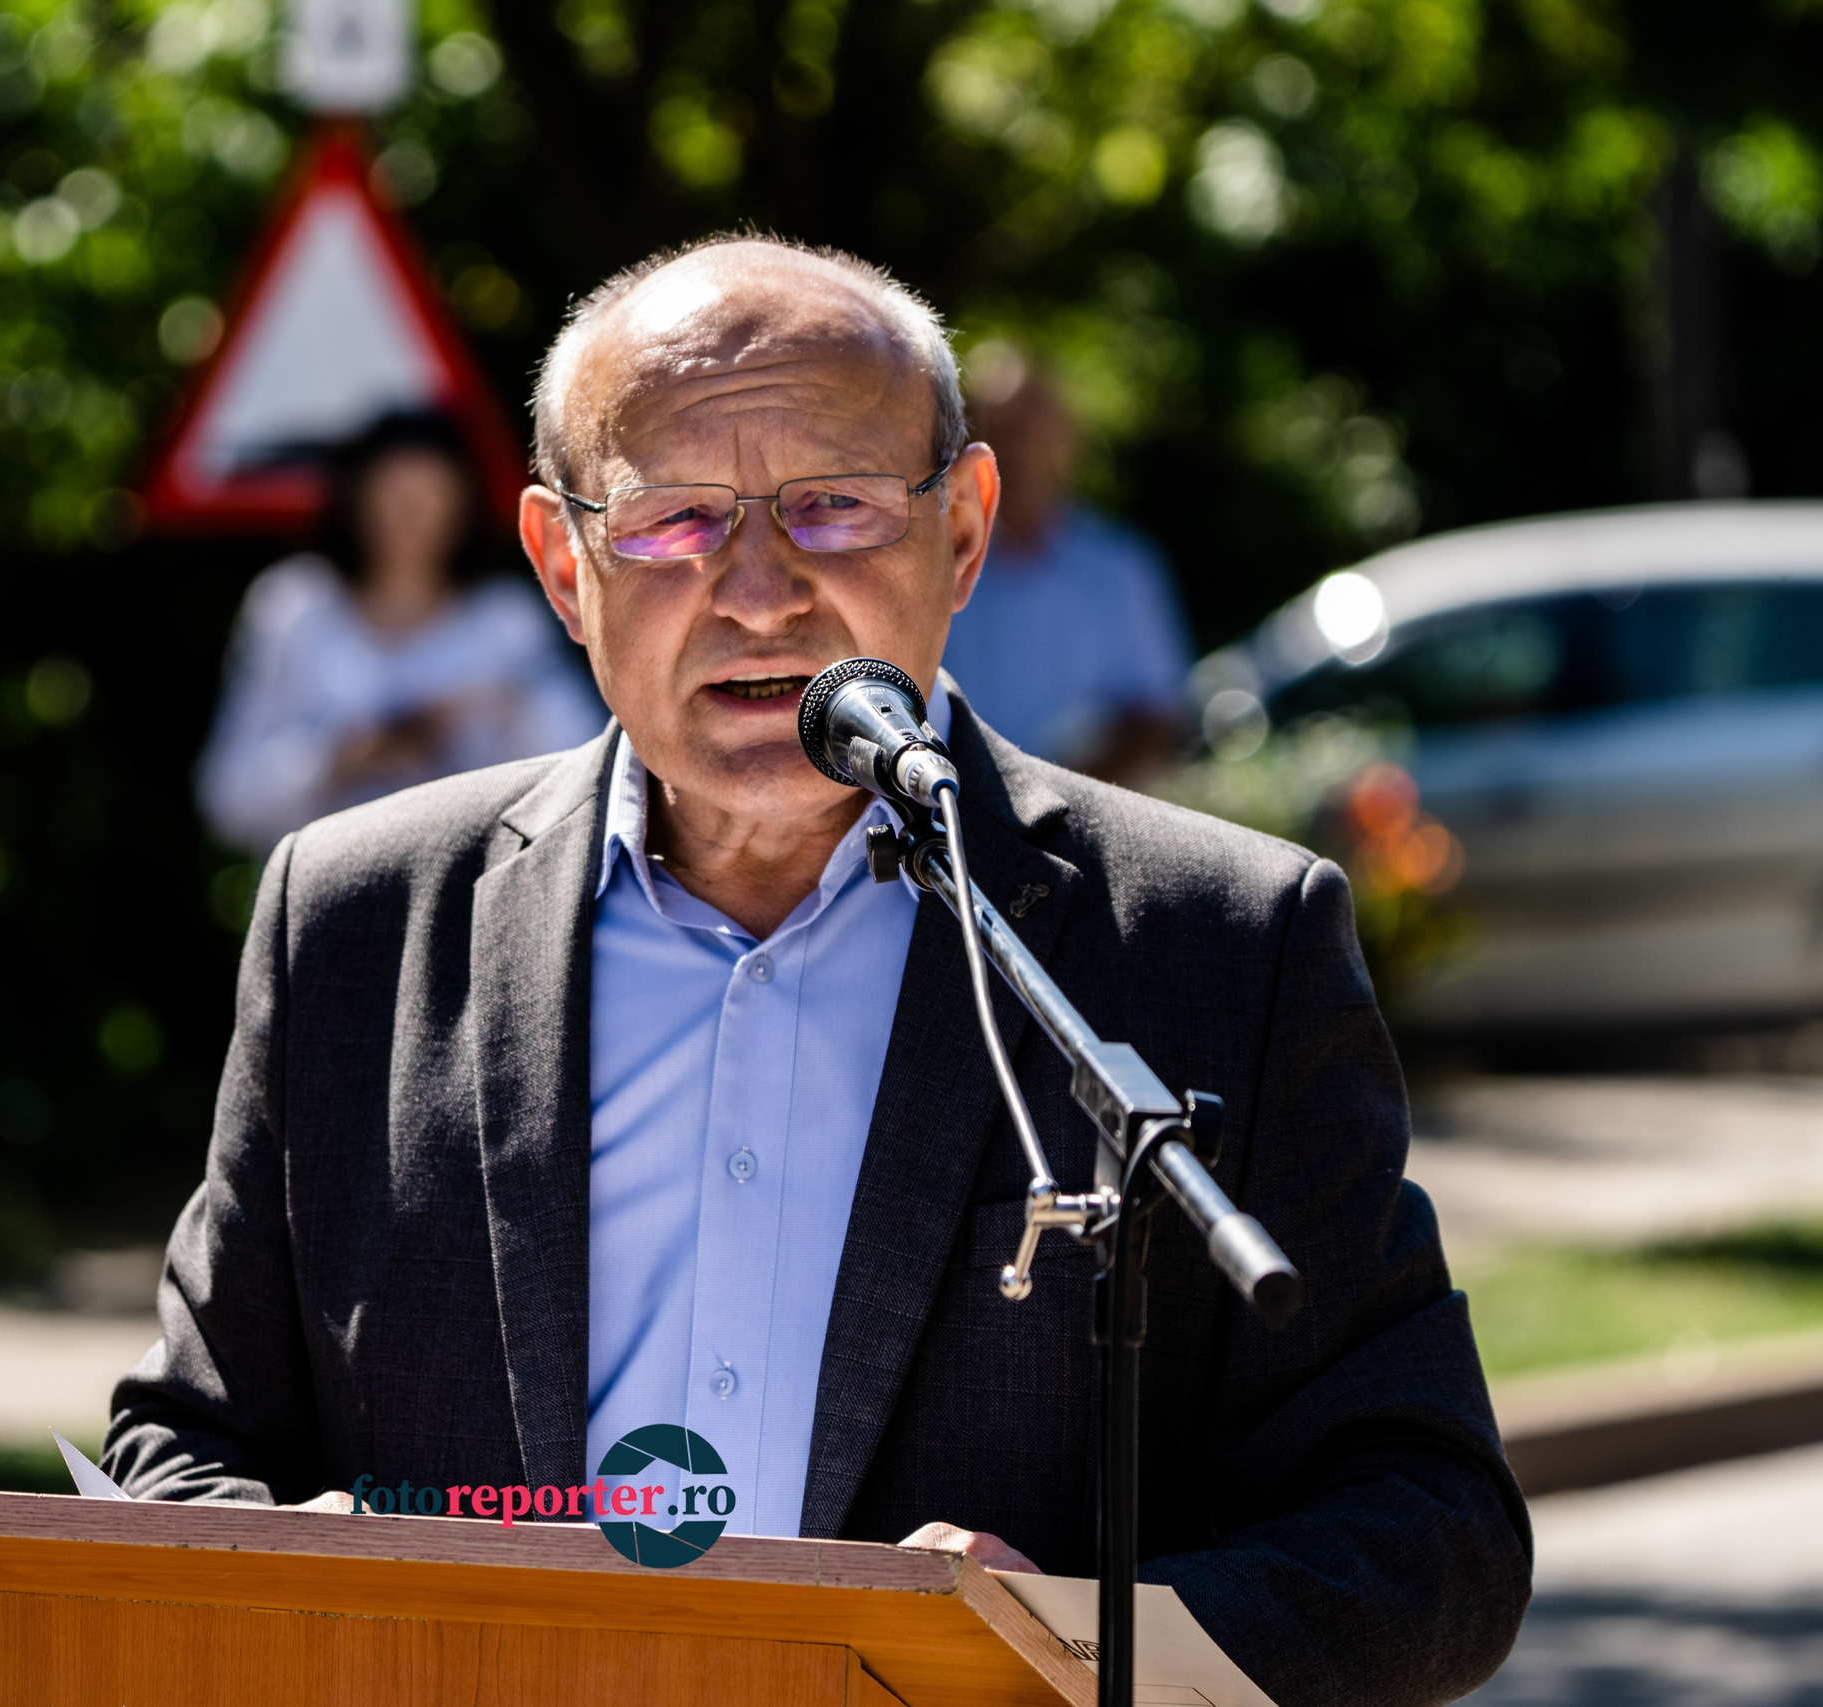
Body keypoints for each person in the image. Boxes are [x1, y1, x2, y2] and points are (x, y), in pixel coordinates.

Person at [106, 238, 1528, 1707]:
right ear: (559, 564)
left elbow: (1430, 1532)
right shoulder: (354, 922)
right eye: (671, 522)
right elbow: (177, 1444)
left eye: (836, 508)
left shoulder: (1215, 938)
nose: (760, 591)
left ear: (964, 532)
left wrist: (1072, 1644)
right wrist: (280, 1570)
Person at [196, 411, 602, 855]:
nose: (411, 515)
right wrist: (340, 758)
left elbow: (582, 771)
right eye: (393, 495)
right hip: (324, 893)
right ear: (356, 499)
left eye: (431, 495)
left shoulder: (504, 622)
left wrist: (492, 707)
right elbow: (228, 797)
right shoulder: (295, 608)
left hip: (470, 896)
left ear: (464, 503)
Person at [937, 349, 1192, 783]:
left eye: (1027, 425)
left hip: (1088, 824)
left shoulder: (1120, 566)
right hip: (950, 812)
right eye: (997, 427)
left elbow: (1158, 717)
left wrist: (1060, 800)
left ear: (1062, 435)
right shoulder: (934, 565)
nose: (1013, 446)